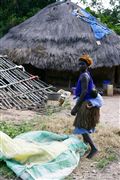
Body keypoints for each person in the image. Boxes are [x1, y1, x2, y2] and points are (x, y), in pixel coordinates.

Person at [71, 54, 103, 159]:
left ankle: (94, 148)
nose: (80, 65)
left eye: (83, 64)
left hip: (87, 102)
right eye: (79, 64)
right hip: (87, 101)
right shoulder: (85, 74)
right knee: (83, 126)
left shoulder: (84, 76)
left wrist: (76, 107)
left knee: (81, 127)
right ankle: (86, 147)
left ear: (87, 65)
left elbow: (84, 92)